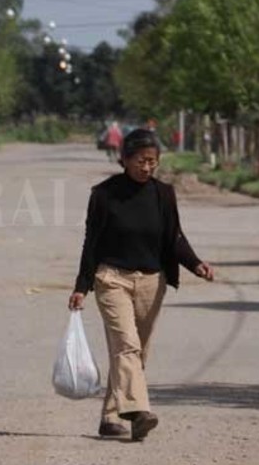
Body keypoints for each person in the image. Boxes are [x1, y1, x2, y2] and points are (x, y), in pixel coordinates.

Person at [68, 128, 215, 442]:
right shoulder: (104, 194)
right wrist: (82, 285)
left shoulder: (163, 194)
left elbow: (174, 237)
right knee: (127, 346)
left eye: (153, 161)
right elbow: (90, 243)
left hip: (151, 280)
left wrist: (196, 264)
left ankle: (111, 416)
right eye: (141, 160)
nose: (147, 167)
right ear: (125, 159)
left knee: (135, 353)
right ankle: (139, 413)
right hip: (111, 278)